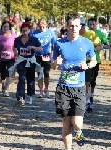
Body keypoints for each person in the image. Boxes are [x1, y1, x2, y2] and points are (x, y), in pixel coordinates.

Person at [52, 14, 96, 150]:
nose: (74, 28)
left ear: (80, 26)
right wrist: (56, 63)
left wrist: (87, 66)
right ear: (67, 26)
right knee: (66, 123)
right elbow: (53, 64)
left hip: (79, 87)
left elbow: (94, 61)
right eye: (71, 26)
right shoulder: (59, 43)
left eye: (77, 26)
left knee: (77, 123)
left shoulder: (86, 43)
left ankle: (78, 132)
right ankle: (68, 148)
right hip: (64, 88)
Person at [9, 22, 43, 106]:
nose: (24, 33)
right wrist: (16, 53)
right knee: (22, 78)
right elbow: (14, 47)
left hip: (30, 61)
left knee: (30, 79)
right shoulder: (17, 39)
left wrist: (33, 47)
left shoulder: (34, 39)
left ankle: (30, 96)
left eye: (26, 31)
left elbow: (41, 49)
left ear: (29, 30)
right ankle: (21, 97)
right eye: (23, 31)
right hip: (21, 61)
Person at [79, 17, 102, 112]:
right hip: (76, 63)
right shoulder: (73, 35)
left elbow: (100, 46)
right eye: (79, 25)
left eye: (83, 25)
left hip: (88, 62)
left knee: (87, 83)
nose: (81, 27)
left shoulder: (91, 34)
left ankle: (85, 101)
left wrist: (90, 51)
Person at [88, 18, 109, 110]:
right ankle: (87, 99)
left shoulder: (100, 34)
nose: (92, 26)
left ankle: (91, 96)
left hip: (96, 60)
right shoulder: (85, 33)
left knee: (92, 80)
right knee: (86, 80)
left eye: (93, 24)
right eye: (90, 24)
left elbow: (107, 45)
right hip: (86, 60)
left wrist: (99, 47)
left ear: (96, 24)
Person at [32, 19, 57, 98]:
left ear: (46, 26)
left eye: (43, 27)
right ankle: (40, 90)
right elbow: (31, 43)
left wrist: (55, 56)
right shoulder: (35, 33)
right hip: (37, 55)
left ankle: (46, 88)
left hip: (47, 55)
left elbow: (55, 43)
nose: (41, 28)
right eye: (40, 26)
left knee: (46, 73)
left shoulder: (50, 32)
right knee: (39, 73)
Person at [0, 21, 17, 97]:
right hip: (2, 57)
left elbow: (16, 46)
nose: (5, 28)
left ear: (9, 27)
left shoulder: (14, 36)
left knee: (9, 72)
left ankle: (6, 89)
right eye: (4, 26)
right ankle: (3, 83)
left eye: (7, 27)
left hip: (11, 57)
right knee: (3, 72)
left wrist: (17, 54)